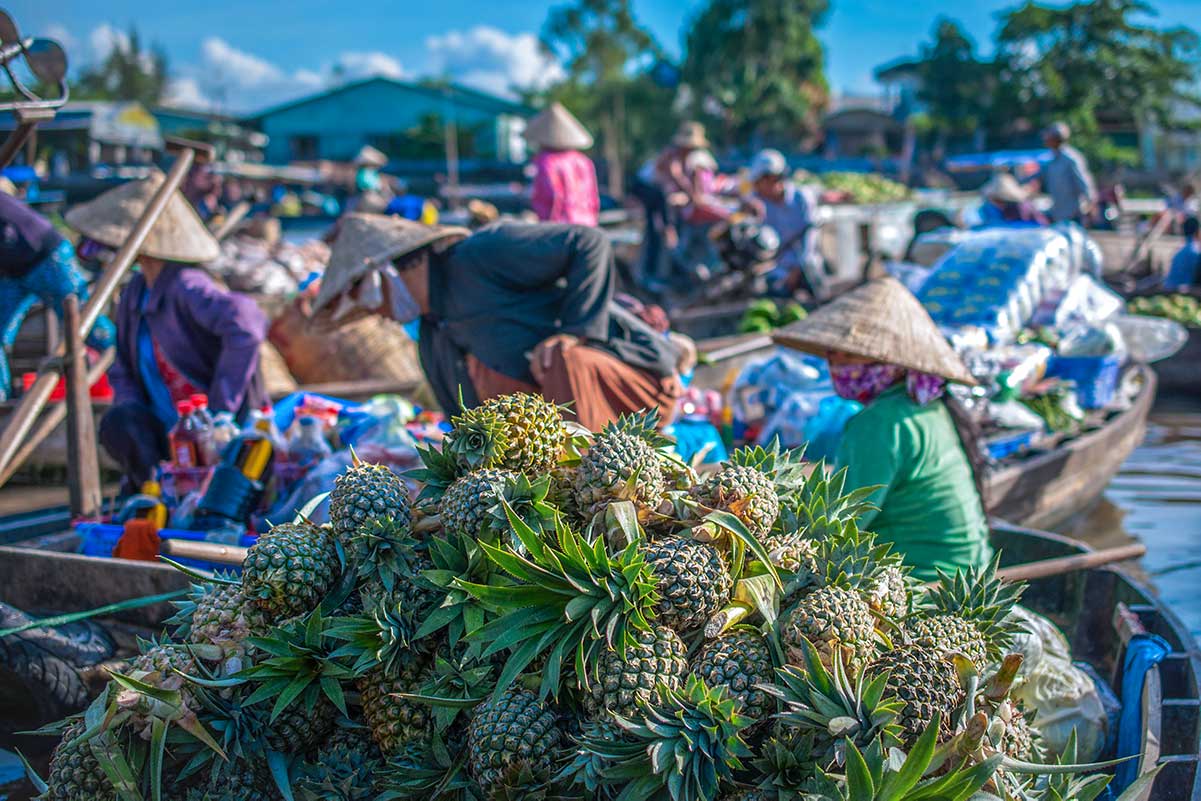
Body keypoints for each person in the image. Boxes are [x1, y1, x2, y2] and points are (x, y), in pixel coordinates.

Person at [313, 214, 683, 430]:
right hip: (556, 424)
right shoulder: (433, 335)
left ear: (388, 274)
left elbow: (589, 242)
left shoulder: (483, 254)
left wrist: (574, 333)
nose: (379, 314)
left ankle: (587, 482)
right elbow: (463, 427)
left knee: (563, 359)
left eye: (372, 302)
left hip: (638, 392)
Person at [772, 277, 991, 581]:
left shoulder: (880, 422)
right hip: (971, 573)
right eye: (832, 352)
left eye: (850, 354)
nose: (836, 363)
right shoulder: (924, 404)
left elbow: (842, 526)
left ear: (890, 361)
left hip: (924, 583)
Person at [64, 171, 268, 489]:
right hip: (166, 432)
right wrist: (130, 409)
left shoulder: (186, 284)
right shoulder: (134, 292)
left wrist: (221, 409)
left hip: (212, 433)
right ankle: (153, 487)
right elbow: (123, 368)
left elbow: (247, 325)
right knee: (119, 423)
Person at [0, 192, 116, 399]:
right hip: (13, 271)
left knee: (85, 321)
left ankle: (124, 363)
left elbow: (8, 235)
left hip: (48, 256)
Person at [747, 148, 821, 296]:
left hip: (805, 266)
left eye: (759, 182)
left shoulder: (802, 198)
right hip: (777, 269)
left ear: (774, 179)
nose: (757, 188)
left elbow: (809, 240)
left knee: (816, 292)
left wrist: (797, 270)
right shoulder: (758, 202)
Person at [526, 102, 599, 227]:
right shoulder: (584, 161)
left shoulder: (546, 161)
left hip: (559, 226)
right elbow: (593, 197)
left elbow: (552, 196)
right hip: (587, 223)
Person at [1033, 122, 1095, 225]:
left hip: (1074, 213)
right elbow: (1037, 175)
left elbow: (1084, 182)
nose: (1045, 139)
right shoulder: (1052, 159)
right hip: (1058, 213)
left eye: (1048, 137)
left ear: (1056, 139)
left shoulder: (1071, 158)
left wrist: (1091, 204)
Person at [977, 173, 1046, 227]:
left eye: (997, 200)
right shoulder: (989, 209)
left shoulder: (1023, 208)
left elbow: (1041, 224)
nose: (996, 203)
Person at [1165, 216, 1200, 291]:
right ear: (1197, 231)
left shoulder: (1179, 252)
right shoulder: (1195, 251)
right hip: (1186, 292)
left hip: (1170, 290)